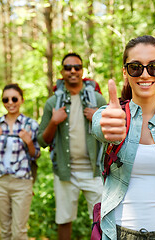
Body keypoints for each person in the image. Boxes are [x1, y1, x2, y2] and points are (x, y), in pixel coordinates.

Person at [92, 35, 155, 240]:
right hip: (119, 232)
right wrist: (107, 128)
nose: (145, 74)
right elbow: (99, 124)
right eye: (135, 67)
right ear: (125, 72)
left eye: (154, 67)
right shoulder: (111, 114)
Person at [37, 53, 107, 240]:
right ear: (62, 72)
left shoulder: (98, 100)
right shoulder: (53, 103)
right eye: (68, 68)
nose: (73, 71)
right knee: (64, 220)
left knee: (103, 220)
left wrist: (98, 119)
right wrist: (53, 121)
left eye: (77, 67)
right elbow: (42, 141)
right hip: (65, 172)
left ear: (82, 70)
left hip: (95, 172)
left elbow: (113, 136)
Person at [0, 83, 41, 240]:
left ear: (21, 100)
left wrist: (29, 142)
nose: (10, 102)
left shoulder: (30, 124)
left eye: (14, 98)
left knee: (19, 232)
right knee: (5, 230)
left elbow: (36, 154)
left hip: (22, 183)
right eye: (6, 99)